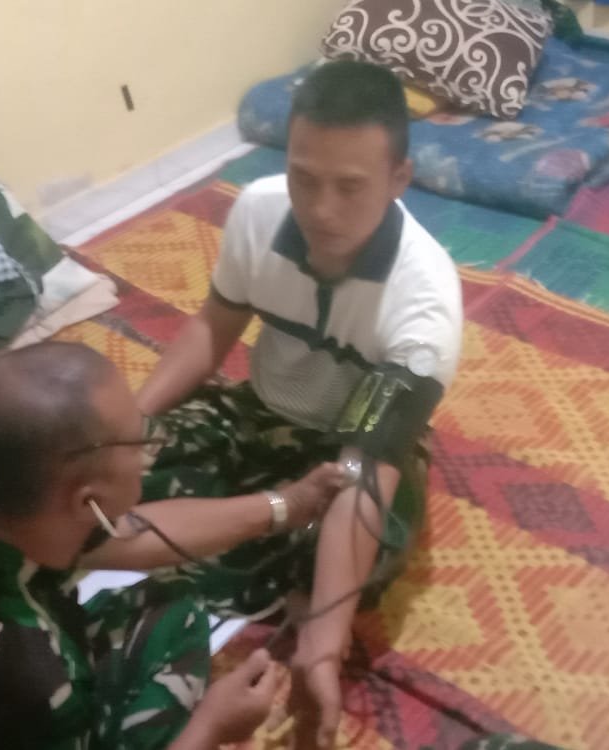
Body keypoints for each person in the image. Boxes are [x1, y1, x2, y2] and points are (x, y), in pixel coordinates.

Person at [134, 61, 463, 746]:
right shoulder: (258, 211)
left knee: (364, 545)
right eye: (304, 178)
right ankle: (266, 548)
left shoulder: (425, 304)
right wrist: (127, 427)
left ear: (399, 178)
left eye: (350, 187)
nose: (320, 210)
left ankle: (276, 561)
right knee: (120, 470)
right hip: (259, 411)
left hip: (357, 449)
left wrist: (323, 650)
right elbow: (211, 329)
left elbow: (366, 469)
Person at [0, 342, 352, 749]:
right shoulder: (42, 685)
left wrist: (284, 505)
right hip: (20, 712)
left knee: (172, 608)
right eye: (140, 443)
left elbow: (137, 532)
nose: (152, 451)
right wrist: (211, 727)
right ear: (87, 502)